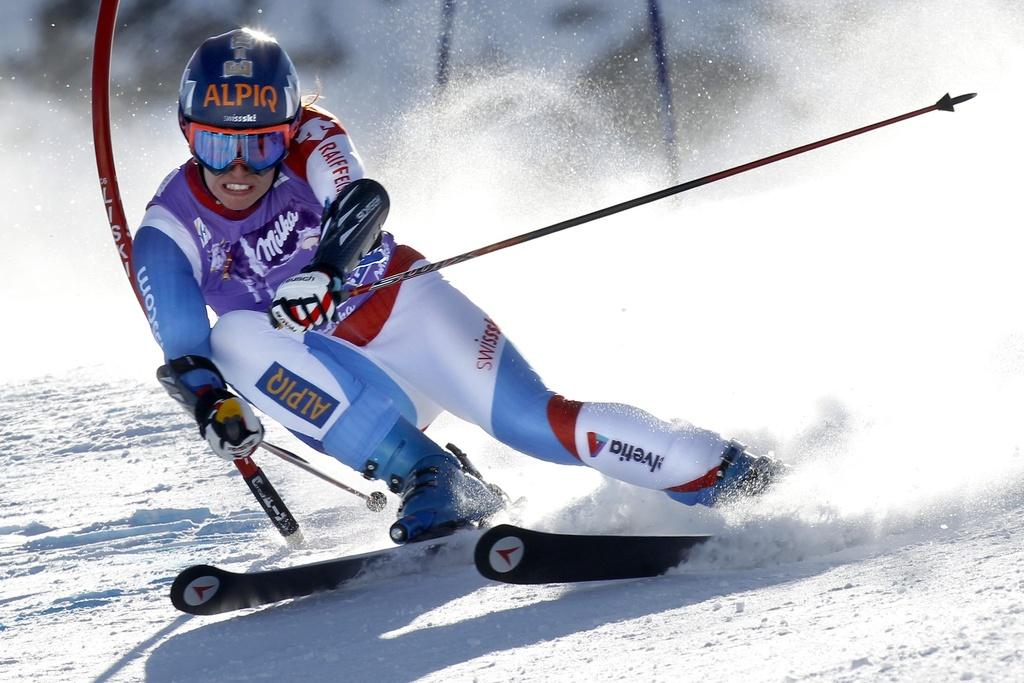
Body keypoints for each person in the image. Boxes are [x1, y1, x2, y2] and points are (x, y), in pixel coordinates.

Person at [134, 28, 784, 545]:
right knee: (239, 340)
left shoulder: (314, 137)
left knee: (537, 425)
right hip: (351, 390)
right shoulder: (170, 229)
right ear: (190, 136)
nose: (241, 168)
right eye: (219, 148)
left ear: (288, 129)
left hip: (405, 316)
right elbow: (189, 354)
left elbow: (361, 198)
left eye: (262, 144)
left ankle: (723, 472)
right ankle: (430, 473)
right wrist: (214, 408)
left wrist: (326, 270)